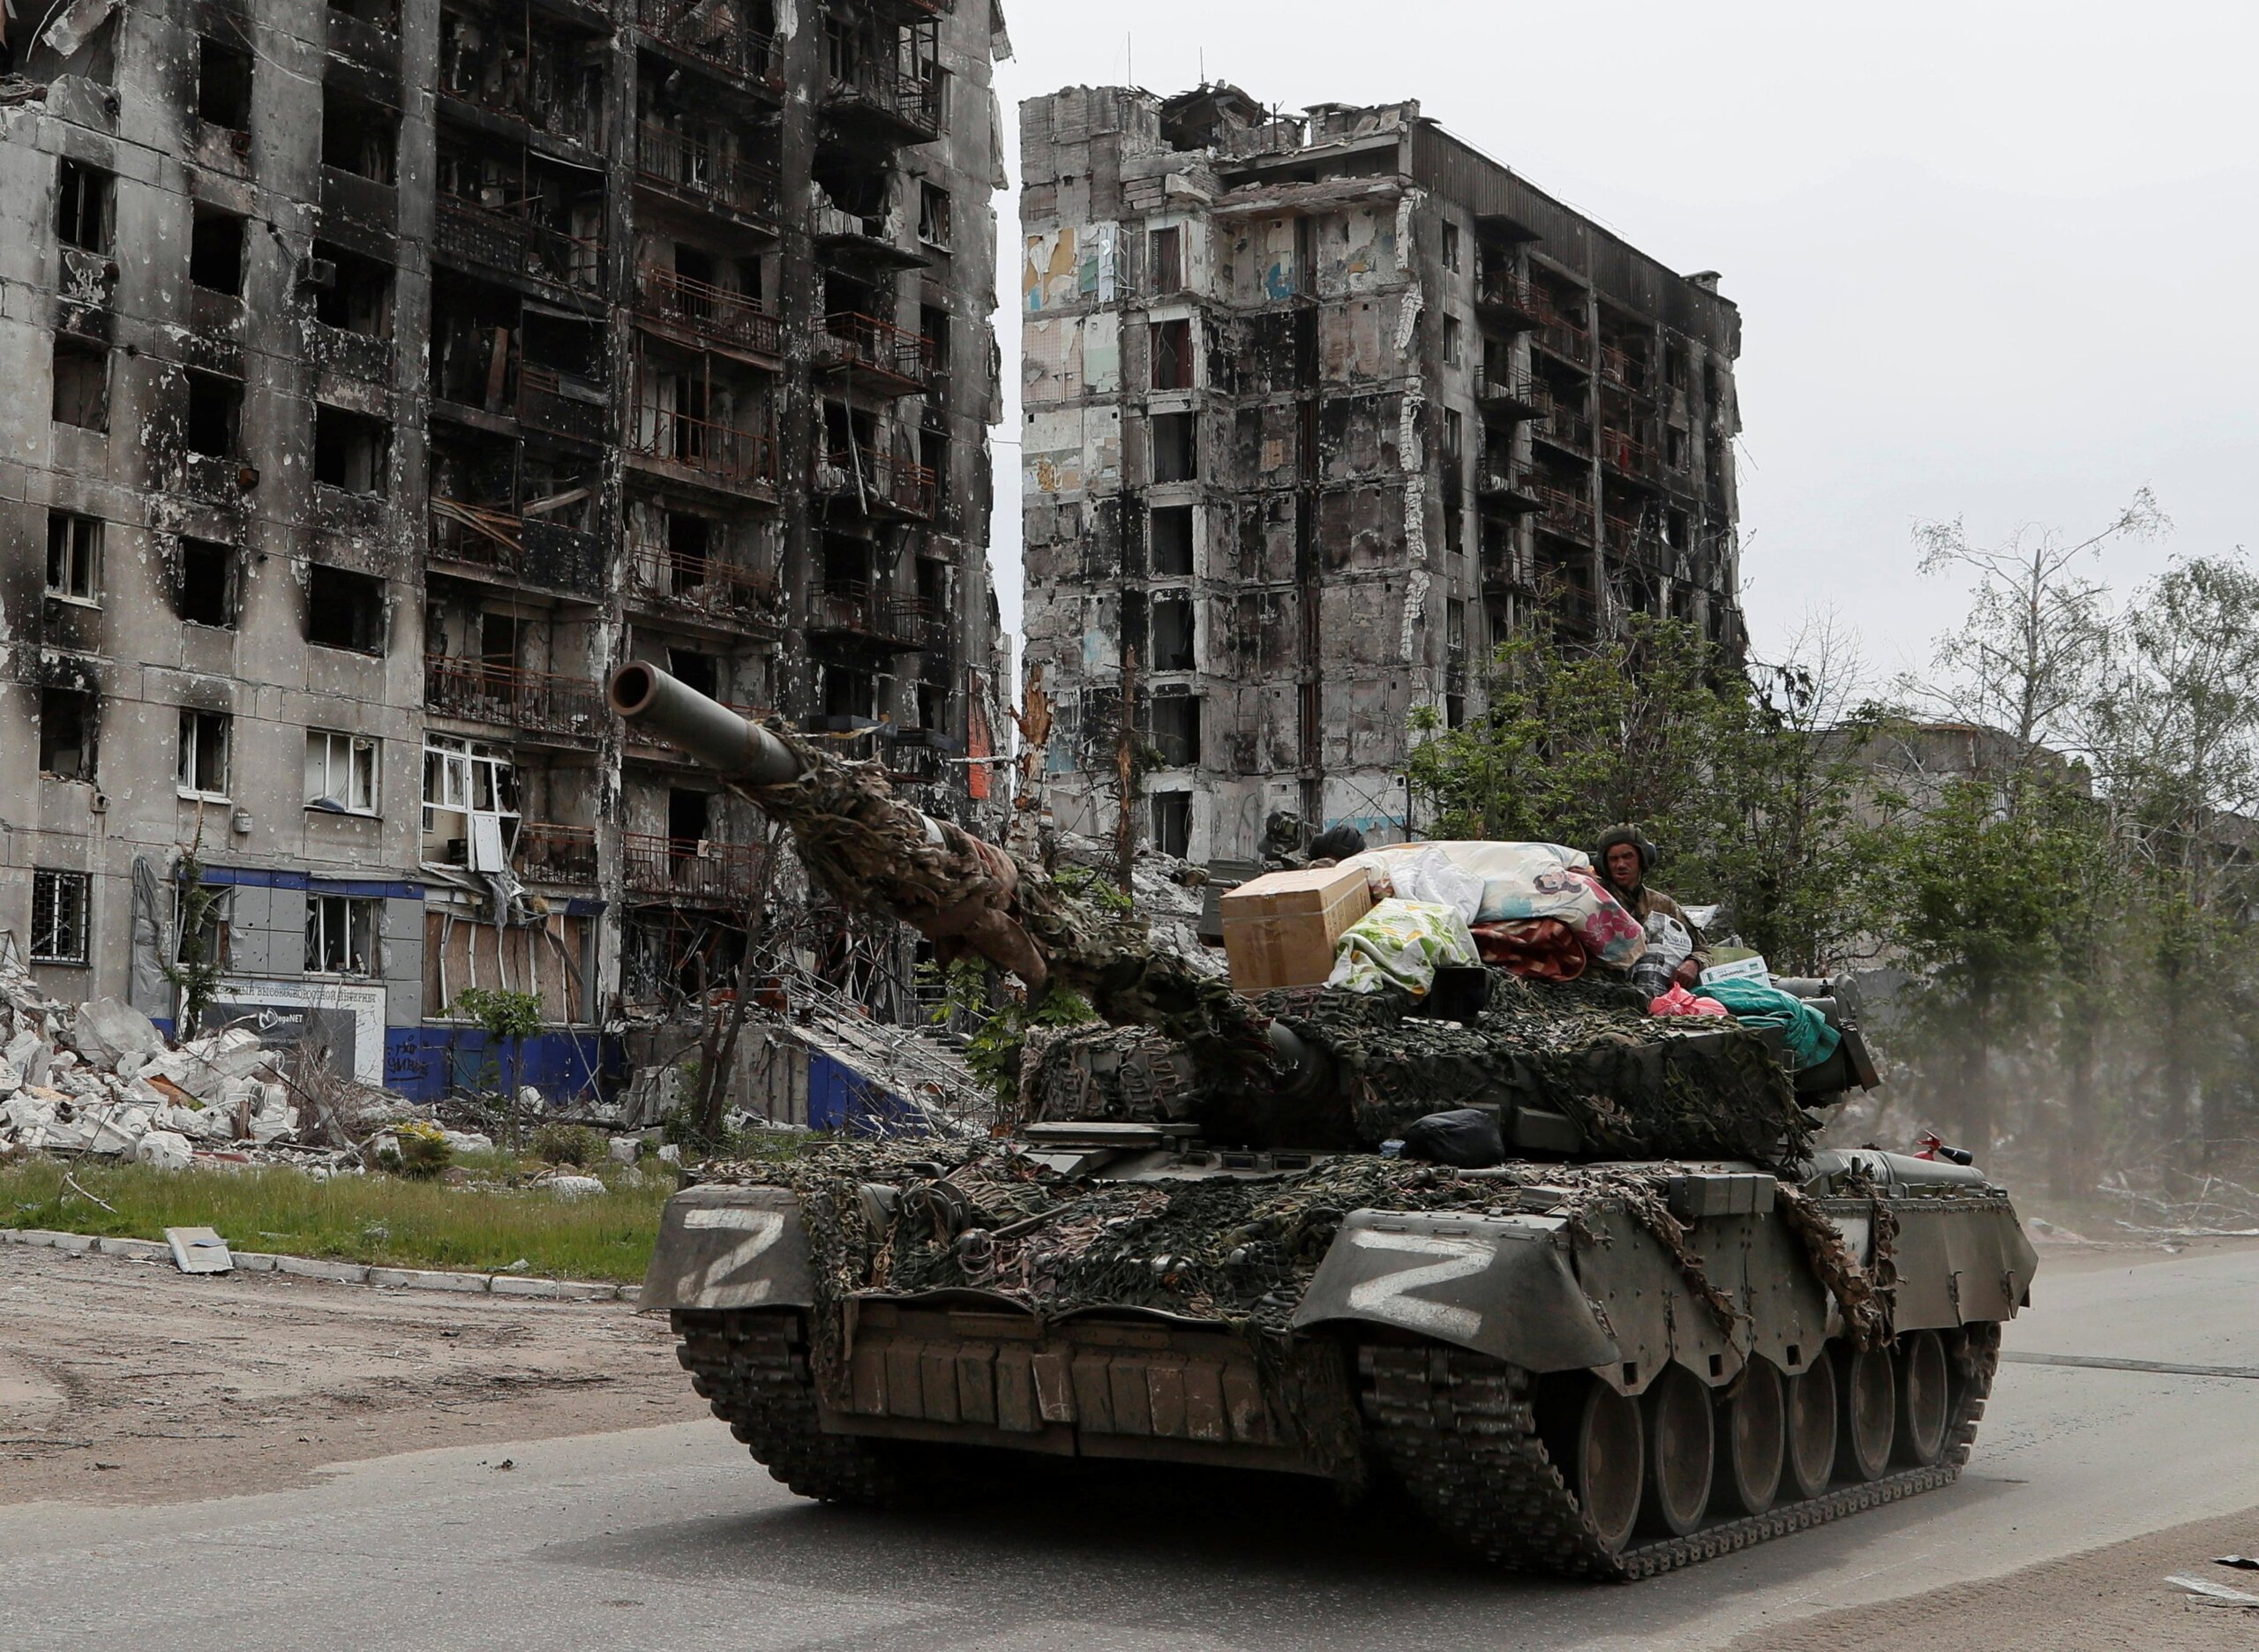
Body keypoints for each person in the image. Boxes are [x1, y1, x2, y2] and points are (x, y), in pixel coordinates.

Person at [1593, 824, 1708, 989]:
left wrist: (1693, 963)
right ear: (1604, 864)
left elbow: (1702, 948)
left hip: (1654, 991)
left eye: (1628, 856)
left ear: (1642, 858)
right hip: (1603, 989)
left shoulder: (1663, 905)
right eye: (1613, 859)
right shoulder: (1593, 897)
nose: (1620, 864)